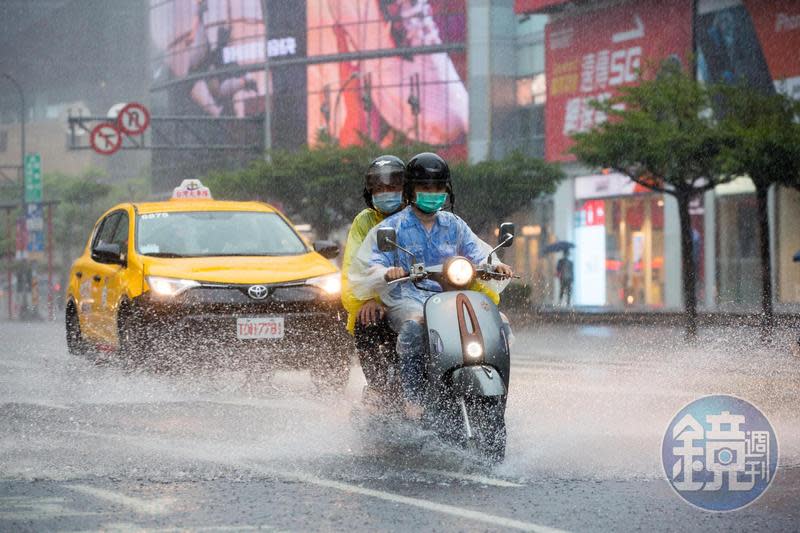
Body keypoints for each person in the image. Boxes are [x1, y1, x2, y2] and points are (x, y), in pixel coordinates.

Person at [349, 152, 512, 418]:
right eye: (425, 188)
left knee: (499, 321)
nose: (432, 193)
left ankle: (498, 394)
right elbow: (371, 263)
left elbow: (479, 254)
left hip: (451, 296)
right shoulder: (393, 227)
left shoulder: (454, 224)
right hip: (408, 298)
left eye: (438, 188)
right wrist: (386, 272)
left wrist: (495, 266)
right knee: (415, 325)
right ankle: (414, 401)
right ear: (411, 191)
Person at [341, 155, 407, 404]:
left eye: (392, 188)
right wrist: (366, 300)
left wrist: (486, 297)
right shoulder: (364, 221)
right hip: (381, 306)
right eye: (379, 189)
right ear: (370, 193)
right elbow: (352, 269)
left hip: (419, 301)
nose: (386, 193)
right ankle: (378, 390)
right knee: (365, 321)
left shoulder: (422, 217)